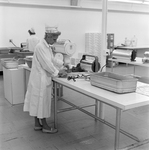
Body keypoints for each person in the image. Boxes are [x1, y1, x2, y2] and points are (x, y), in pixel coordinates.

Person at [23, 25, 65, 134]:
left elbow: (51, 60)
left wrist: (62, 65)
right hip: (40, 79)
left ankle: (37, 124)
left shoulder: (47, 46)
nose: (55, 41)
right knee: (41, 102)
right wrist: (58, 73)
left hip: (39, 79)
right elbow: (47, 65)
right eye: (54, 39)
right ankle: (45, 126)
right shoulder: (41, 47)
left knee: (36, 101)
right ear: (48, 36)